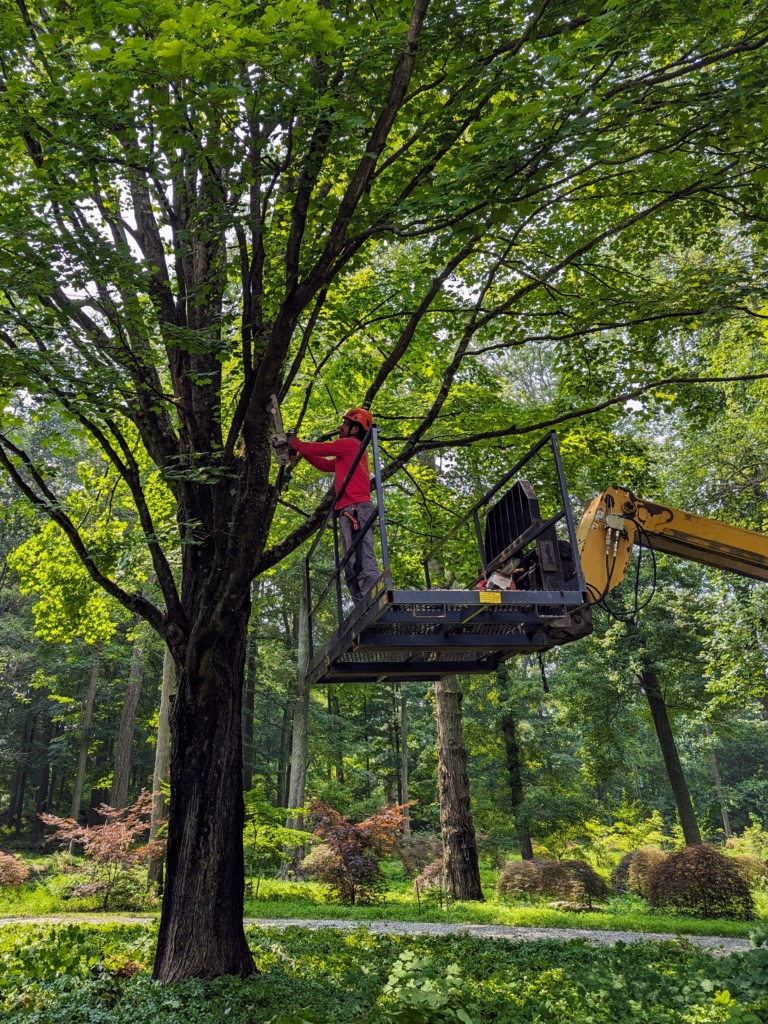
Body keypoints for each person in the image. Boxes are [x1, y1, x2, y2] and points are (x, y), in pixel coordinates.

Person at [289, 409, 381, 603]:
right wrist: (300, 450)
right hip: (350, 511)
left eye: (345, 424)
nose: (341, 427)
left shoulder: (351, 444)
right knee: (350, 565)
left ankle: (375, 602)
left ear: (355, 429)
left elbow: (321, 449)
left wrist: (295, 443)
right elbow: (324, 464)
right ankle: (361, 606)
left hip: (357, 509)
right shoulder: (347, 455)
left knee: (361, 559)